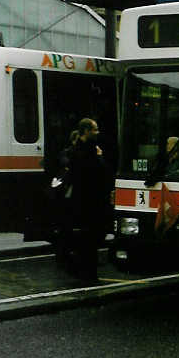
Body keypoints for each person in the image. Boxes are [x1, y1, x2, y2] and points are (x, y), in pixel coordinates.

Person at [67, 118, 114, 281]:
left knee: (89, 238)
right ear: (86, 131)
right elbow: (100, 172)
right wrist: (100, 157)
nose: (97, 132)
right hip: (91, 201)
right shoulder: (89, 151)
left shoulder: (78, 150)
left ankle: (86, 271)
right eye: (95, 129)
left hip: (84, 201)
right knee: (92, 238)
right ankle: (88, 273)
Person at [53, 130, 79, 267]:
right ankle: (63, 254)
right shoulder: (67, 153)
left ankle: (67, 254)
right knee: (66, 226)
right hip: (67, 193)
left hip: (72, 193)